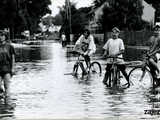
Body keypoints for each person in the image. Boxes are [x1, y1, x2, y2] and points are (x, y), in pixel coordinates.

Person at [0, 30, 16, 102]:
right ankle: (1, 93)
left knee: (7, 86)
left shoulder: (10, 46)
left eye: (2, 36)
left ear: (5, 37)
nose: (0, 37)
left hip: (7, 68)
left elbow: (13, 58)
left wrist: (13, 68)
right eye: (0, 36)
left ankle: (7, 103)